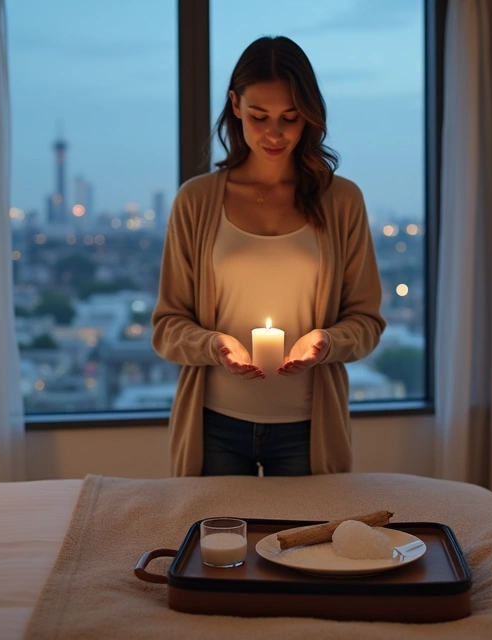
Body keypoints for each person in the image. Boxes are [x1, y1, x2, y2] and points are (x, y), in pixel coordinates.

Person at [151, 36, 385, 477]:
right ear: (235, 105)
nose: (274, 133)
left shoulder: (342, 201)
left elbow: (368, 322)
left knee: (303, 545)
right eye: (259, 116)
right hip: (213, 425)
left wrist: (326, 342)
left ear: (310, 117)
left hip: (309, 429)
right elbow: (167, 327)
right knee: (218, 546)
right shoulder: (196, 201)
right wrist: (213, 345)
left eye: (290, 118)